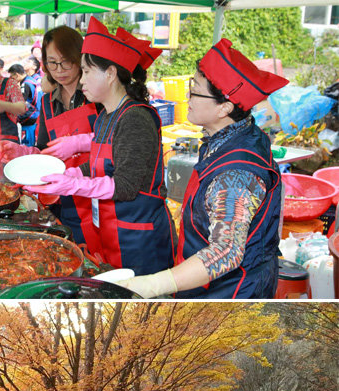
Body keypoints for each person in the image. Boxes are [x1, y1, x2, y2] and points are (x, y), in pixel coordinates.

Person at [118, 38, 289, 298]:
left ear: (225, 107)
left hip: (232, 294)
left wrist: (154, 284)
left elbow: (226, 251)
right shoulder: (228, 136)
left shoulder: (237, 173)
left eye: (195, 91)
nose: (188, 98)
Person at [26, 18, 175, 275]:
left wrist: (73, 185)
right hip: (111, 229)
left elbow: (126, 186)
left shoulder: (136, 117)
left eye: (85, 71)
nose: (80, 81)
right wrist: (67, 175)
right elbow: (97, 161)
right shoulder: (108, 114)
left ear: (110, 73)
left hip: (139, 236)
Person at [0, 25, 100, 248]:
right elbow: (44, 148)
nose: (59, 69)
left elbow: (111, 147)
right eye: (52, 62)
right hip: (63, 196)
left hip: (99, 192)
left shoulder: (97, 96)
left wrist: (76, 171)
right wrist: (21, 152)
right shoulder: (48, 101)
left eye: (66, 61)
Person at [8, 63, 39, 146]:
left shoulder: (25, 84)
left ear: (17, 75)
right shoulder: (32, 80)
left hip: (29, 117)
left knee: (27, 144)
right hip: (36, 114)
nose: (11, 79)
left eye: (12, 77)